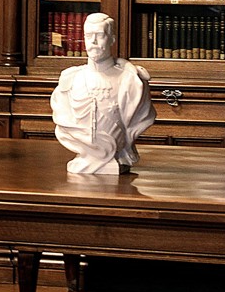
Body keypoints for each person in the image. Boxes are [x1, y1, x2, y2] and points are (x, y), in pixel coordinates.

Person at [51, 13, 156, 174]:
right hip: (82, 164)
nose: (93, 42)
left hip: (117, 153)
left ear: (112, 39)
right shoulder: (70, 79)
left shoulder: (131, 80)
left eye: (99, 35)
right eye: (88, 36)